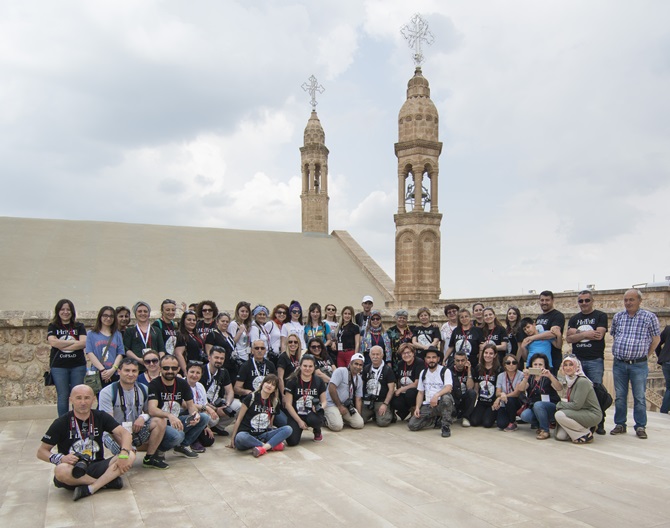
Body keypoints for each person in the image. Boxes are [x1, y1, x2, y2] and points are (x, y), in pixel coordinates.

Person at [37, 384, 135, 501]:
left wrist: (123, 453)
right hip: (73, 469)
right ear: (71, 400)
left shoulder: (100, 416)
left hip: (97, 465)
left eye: (87, 398)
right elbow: (41, 452)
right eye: (78, 398)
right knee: (60, 470)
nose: (83, 402)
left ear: (93, 399)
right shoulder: (61, 422)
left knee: (130, 455)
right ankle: (105, 482)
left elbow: (125, 434)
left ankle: (92, 488)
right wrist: (61, 458)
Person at [98, 357, 171, 469]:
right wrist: (126, 446)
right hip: (115, 433)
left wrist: (143, 417)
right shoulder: (107, 392)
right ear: (119, 372)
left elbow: (150, 412)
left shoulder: (143, 389)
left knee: (160, 420)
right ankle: (118, 458)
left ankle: (149, 458)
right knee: (127, 459)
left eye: (134, 371)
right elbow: (109, 424)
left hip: (135, 429)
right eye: (127, 370)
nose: (130, 374)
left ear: (138, 373)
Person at [610, 289, 660, 439]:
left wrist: (646, 355)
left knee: (639, 397)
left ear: (639, 301)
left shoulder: (649, 317)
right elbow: (614, 335)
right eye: (626, 300)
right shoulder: (618, 316)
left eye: (631, 300)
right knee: (620, 396)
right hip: (619, 363)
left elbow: (656, 339)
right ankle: (620, 424)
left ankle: (640, 426)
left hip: (639, 364)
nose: (628, 303)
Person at [147, 355, 210, 458]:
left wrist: (194, 414)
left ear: (178, 369)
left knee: (204, 418)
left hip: (177, 419)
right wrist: (169, 416)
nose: (170, 371)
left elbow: (190, 405)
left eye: (174, 368)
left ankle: (182, 446)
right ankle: (159, 450)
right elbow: (152, 410)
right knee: (177, 435)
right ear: (160, 369)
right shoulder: (154, 384)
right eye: (166, 368)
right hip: (160, 423)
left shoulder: (182, 383)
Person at [230, 374, 292, 457]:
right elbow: (239, 419)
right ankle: (268, 446)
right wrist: (233, 438)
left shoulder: (275, 402)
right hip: (247, 434)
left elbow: (270, 423)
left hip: (263, 435)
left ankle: (262, 448)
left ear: (275, 389)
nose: (269, 386)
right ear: (262, 383)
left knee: (288, 429)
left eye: (273, 385)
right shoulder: (251, 397)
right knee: (241, 437)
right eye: (268, 382)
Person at [47, 299, 88, 417]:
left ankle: (78, 420)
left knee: (78, 395)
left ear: (72, 311)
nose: (65, 312)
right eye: (62, 309)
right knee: (63, 396)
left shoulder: (79, 326)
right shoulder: (53, 326)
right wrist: (73, 343)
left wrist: (62, 343)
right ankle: (63, 422)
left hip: (77, 366)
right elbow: (53, 343)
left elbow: (83, 343)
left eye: (68, 309)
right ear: (58, 311)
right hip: (59, 367)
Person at [408, 346, 454, 438]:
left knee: (446, 398)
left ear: (438, 359)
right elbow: (420, 392)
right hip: (428, 405)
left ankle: (445, 426)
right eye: (428, 357)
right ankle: (435, 419)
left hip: (441, 403)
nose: (431, 360)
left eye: (433, 357)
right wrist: (417, 407)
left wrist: (436, 395)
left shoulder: (445, 371)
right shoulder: (423, 373)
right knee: (412, 425)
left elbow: (448, 387)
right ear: (425, 359)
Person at [555, 355, 602, 444]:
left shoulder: (582, 381)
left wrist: (559, 405)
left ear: (576, 366)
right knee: (560, 436)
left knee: (559, 415)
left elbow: (576, 405)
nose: (568, 368)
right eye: (565, 365)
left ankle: (586, 434)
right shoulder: (568, 381)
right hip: (576, 412)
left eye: (571, 365)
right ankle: (583, 430)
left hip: (591, 413)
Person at [566, 290, 608, 384]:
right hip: (577, 360)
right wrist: (586, 334)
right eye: (581, 301)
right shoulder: (574, 319)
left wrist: (576, 333)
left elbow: (598, 335)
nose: (584, 303)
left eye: (587, 300)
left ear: (592, 301)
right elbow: (569, 339)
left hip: (595, 360)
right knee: (576, 389)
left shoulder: (601, 316)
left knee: (596, 390)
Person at [284, 355, 327, 444]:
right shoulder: (292, 381)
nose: (307, 368)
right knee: (292, 442)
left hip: (311, 413)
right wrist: (299, 421)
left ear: (314, 367)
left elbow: (324, 401)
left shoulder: (319, 381)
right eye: (305, 366)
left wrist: (320, 407)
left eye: (310, 366)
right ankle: (298, 427)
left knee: (316, 420)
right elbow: (288, 404)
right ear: (300, 366)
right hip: (296, 414)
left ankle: (317, 429)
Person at [518, 354, 562, 440]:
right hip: (534, 406)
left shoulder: (548, 376)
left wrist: (550, 376)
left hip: (550, 405)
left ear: (545, 366)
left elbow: (559, 388)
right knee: (524, 415)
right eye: (535, 364)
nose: (538, 366)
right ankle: (541, 423)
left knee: (538, 404)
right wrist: (525, 378)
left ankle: (545, 430)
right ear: (531, 365)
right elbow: (521, 388)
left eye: (540, 364)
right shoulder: (530, 377)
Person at [200, 346, 241, 435]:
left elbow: (230, 391)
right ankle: (205, 428)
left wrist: (226, 405)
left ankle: (218, 427)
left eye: (221, 358)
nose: (219, 360)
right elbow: (197, 398)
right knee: (212, 419)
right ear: (209, 358)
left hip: (216, 403)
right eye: (216, 357)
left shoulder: (223, 372)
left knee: (238, 405)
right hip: (203, 406)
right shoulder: (201, 371)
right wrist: (214, 409)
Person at [85, 306, 124, 389]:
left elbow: (120, 353)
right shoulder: (91, 334)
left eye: (111, 316)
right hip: (98, 372)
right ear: (100, 317)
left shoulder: (117, 334)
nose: (108, 318)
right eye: (105, 315)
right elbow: (90, 352)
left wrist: (113, 369)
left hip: (114, 372)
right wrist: (102, 370)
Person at [324, 353, 365, 431]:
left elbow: (358, 399)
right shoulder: (340, 371)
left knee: (359, 424)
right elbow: (331, 388)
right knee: (337, 426)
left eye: (360, 365)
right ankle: (324, 419)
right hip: (331, 404)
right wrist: (339, 406)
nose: (358, 367)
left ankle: (338, 416)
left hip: (345, 405)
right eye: (356, 364)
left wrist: (358, 415)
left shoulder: (359, 379)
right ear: (350, 363)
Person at [527, 291, 565, 373]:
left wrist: (532, 338)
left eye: (547, 300)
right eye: (542, 300)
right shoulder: (539, 317)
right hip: (538, 360)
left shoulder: (558, 315)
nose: (544, 302)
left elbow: (552, 334)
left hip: (552, 358)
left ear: (552, 300)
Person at [184, 362, 219, 453]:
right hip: (186, 415)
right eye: (192, 372)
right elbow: (187, 405)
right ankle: (191, 441)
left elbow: (204, 404)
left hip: (199, 417)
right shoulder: (182, 384)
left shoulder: (200, 386)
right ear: (186, 372)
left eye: (198, 373)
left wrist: (205, 425)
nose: (194, 375)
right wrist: (206, 408)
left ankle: (196, 434)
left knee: (208, 440)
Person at [361, 346, 396, 427]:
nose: (375, 357)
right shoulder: (366, 368)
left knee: (383, 423)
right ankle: (373, 413)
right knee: (360, 420)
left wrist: (385, 404)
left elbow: (391, 389)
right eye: (373, 354)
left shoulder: (387, 370)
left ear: (382, 355)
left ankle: (389, 411)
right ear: (369, 355)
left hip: (381, 401)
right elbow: (362, 385)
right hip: (368, 401)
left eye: (377, 354)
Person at [124, 301, 165, 369]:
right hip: (136, 366)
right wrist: (139, 359)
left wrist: (156, 361)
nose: (143, 313)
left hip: (154, 367)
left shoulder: (156, 330)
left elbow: (161, 349)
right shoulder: (130, 331)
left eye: (145, 311)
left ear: (149, 314)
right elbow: (127, 350)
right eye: (140, 311)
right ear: (135, 314)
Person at [391, 343, 425, 421]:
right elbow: (399, 379)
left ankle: (415, 411)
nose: (406, 355)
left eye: (408, 352)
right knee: (395, 400)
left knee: (410, 393)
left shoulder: (419, 362)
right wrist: (398, 390)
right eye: (404, 353)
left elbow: (417, 383)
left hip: (416, 390)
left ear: (413, 353)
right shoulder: (400, 364)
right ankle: (406, 411)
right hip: (405, 389)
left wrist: (401, 390)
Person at [470, 344, 500, 428]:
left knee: (487, 423)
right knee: (474, 422)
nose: (488, 355)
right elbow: (476, 386)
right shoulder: (478, 368)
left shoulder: (499, 369)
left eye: (491, 353)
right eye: (486, 353)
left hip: (492, 402)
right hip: (481, 401)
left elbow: (500, 387)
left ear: (495, 355)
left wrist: (497, 400)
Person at [493, 354, 525, 431]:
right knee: (501, 425)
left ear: (517, 364)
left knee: (510, 399)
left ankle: (512, 422)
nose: (511, 365)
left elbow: (516, 393)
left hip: (516, 401)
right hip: (504, 402)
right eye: (508, 363)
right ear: (504, 365)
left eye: (514, 362)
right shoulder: (501, 376)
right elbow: (497, 392)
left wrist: (501, 397)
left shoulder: (521, 374)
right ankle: (508, 419)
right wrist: (501, 395)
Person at [205, 312, 238, 379]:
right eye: (223, 321)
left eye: (227, 321)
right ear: (217, 322)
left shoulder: (229, 335)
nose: (225, 323)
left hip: (231, 366)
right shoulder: (212, 334)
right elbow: (209, 352)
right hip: (219, 365)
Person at [449, 350, 476, 427]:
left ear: (466, 361)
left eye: (462, 360)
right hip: (454, 398)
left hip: (464, 397)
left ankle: (466, 417)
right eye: (458, 361)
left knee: (472, 393)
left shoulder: (470, 370)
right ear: (454, 361)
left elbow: (470, 387)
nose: (460, 363)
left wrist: (469, 371)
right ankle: (452, 414)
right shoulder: (449, 370)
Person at [277, 331, 302, 400]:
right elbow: (280, 378)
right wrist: (283, 395)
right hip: (287, 389)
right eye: (290, 342)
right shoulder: (283, 357)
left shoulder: (299, 357)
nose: (293, 344)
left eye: (295, 342)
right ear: (287, 344)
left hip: (297, 389)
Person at [229, 301, 252, 368]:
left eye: (246, 311)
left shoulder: (245, 325)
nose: (244, 313)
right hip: (237, 357)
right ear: (237, 312)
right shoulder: (233, 324)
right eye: (242, 311)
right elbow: (231, 342)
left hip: (245, 356)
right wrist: (240, 332)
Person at [656, 325, 670, 414]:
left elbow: (657, 343)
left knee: (669, 388)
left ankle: (664, 410)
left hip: (667, 362)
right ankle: (664, 410)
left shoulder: (668, 329)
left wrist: (661, 356)